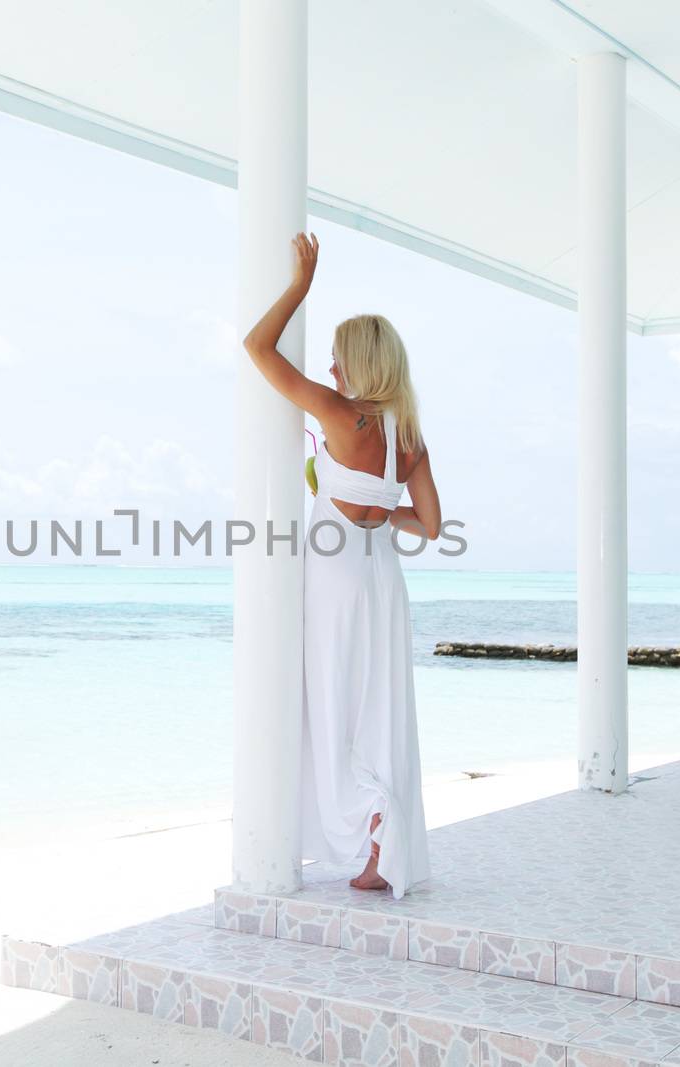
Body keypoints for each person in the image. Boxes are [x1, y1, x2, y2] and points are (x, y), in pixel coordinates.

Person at [242, 232, 437, 898]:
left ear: (359, 363)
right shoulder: (408, 436)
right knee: (379, 706)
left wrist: (299, 285)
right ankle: (381, 843)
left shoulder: (338, 414)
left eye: (336, 357)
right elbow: (432, 525)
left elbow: (256, 349)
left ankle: (355, 821)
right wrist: (382, 513)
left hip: (334, 576)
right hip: (384, 576)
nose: (329, 368)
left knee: (331, 703)